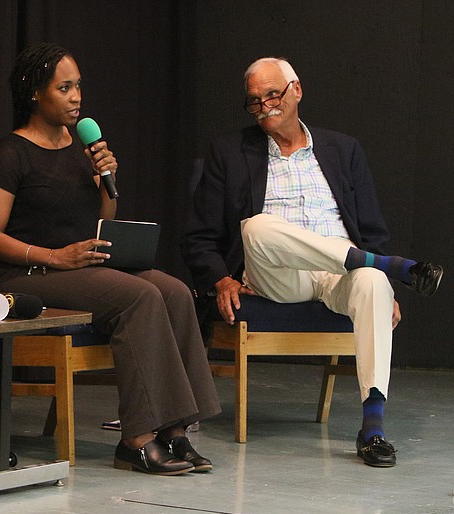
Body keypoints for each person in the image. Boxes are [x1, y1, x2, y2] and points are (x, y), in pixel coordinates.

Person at [182, 57, 444, 468]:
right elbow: (198, 236)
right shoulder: (230, 152)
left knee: (373, 284)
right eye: (255, 101)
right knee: (256, 227)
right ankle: (392, 265)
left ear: (296, 90)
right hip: (275, 274)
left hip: (339, 273)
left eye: (273, 94)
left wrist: (383, 288)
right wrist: (220, 280)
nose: (266, 105)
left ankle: (372, 428)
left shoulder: (343, 149)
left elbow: (372, 224)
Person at [0, 43, 221, 476]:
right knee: (139, 297)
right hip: (27, 275)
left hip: (79, 267)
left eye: (78, 87)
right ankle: (136, 440)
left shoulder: (83, 150)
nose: (76, 98)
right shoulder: (9, 152)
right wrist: (54, 256)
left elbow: (101, 222)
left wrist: (108, 182)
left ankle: (175, 428)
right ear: (35, 92)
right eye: (64, 87)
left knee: (176, 292)